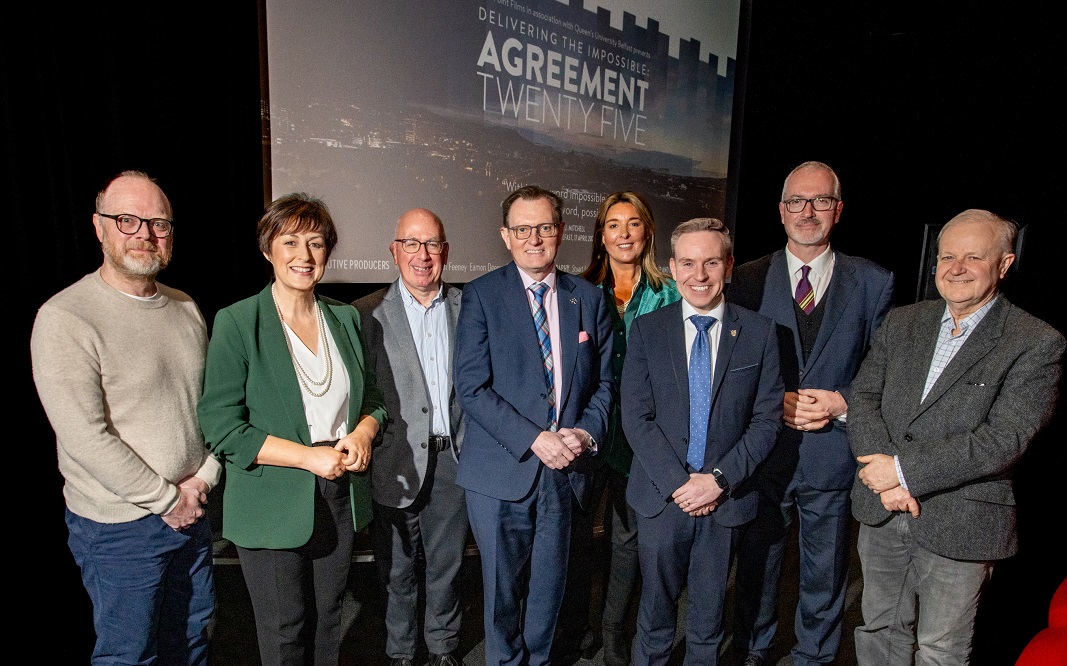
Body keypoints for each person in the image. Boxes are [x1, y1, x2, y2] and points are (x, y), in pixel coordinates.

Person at [848, 209, 1064, 665]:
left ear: (1004, 265)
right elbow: (863, 397)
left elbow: (1005, 438)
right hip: (881, 509)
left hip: (963, 519)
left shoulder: (1036, 341)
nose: (956, 268)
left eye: (973, 257)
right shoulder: (903, 322)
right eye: (947, 256)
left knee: (940, 649)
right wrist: (884, 478)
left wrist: (902, 471)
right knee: (878, 630)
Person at [30, 170, 220, 664]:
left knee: (192, 641)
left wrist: (203, 479)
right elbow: (84, 437)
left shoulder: (185, 308)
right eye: (127, 220)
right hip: (120, 528)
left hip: (192, 511)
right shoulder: (66, 317)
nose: (144, 234)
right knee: (130, 655)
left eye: (158, 223)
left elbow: (211, 408)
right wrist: (165, 499)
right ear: (99, 227)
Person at [197, 193, 387, 665]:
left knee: (329, 619)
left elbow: (374, 403)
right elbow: (221, 426)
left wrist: (363, 433)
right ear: (268, 250)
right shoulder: (238, 322)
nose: (305, 256)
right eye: (291, 241)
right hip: (270, 500)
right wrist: (308, 456)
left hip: (338, 495)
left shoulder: (344, 318)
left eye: (317, 243)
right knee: (285, 632)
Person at [728, 161, 895, 666]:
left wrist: (843, 401)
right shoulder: (746, 280)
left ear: (837, 210)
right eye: (797, 201)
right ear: (781, 211)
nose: (808, 211)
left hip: (832, 456)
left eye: (820, 201)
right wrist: (767, 398)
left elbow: (885, 369)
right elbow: (731, 367)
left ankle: (814, 657)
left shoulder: (873, 282)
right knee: (757, 563)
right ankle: (754, 651)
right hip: (765, 452)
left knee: (826, 572)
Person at [453, 185, 615, 666]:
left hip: (567, 473)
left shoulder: (588, 298)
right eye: (522, 229)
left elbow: (606, 384)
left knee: (550, 591)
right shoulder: (481, 295)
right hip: (502, 472)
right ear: (506, 236)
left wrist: (584, 433)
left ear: (561, 232)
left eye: (544, 227)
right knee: (502, 594)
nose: (534, 238)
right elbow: (472, 387)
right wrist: (535, 438)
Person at [622, 217, 783, 666]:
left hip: (725, 501)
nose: (700, 275)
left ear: (729, 265)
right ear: (672, 267)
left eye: (711, 262)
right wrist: (680, 484)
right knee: (654, 619)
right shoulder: (648, 330)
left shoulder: (760, 333)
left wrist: (716, 481)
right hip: (662, 499)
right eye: (688, 263)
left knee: (709, 624)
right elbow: (636, 418)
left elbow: (766, 422)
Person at [557, 191, 680, 666]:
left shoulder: (670, 291)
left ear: (647, 232)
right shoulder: (579, 292)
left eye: (633, 223)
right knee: (575, 538)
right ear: (601, 235)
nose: (623, 233)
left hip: (643, 440)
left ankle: (613, 639)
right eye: (613, 224)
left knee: (627, 544)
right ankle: (575, 631)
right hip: (588, 434)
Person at [354, 208, 468, 666]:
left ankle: (443, 648)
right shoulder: (365, 314)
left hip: (454, 461)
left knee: (448, 567)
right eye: (412, 244)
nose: (423, 255)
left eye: (432, 245)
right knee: (396, 570)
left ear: (445, 252)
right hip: (393, 463)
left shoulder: (469, 307)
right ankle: (400, 652)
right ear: (394, 251)